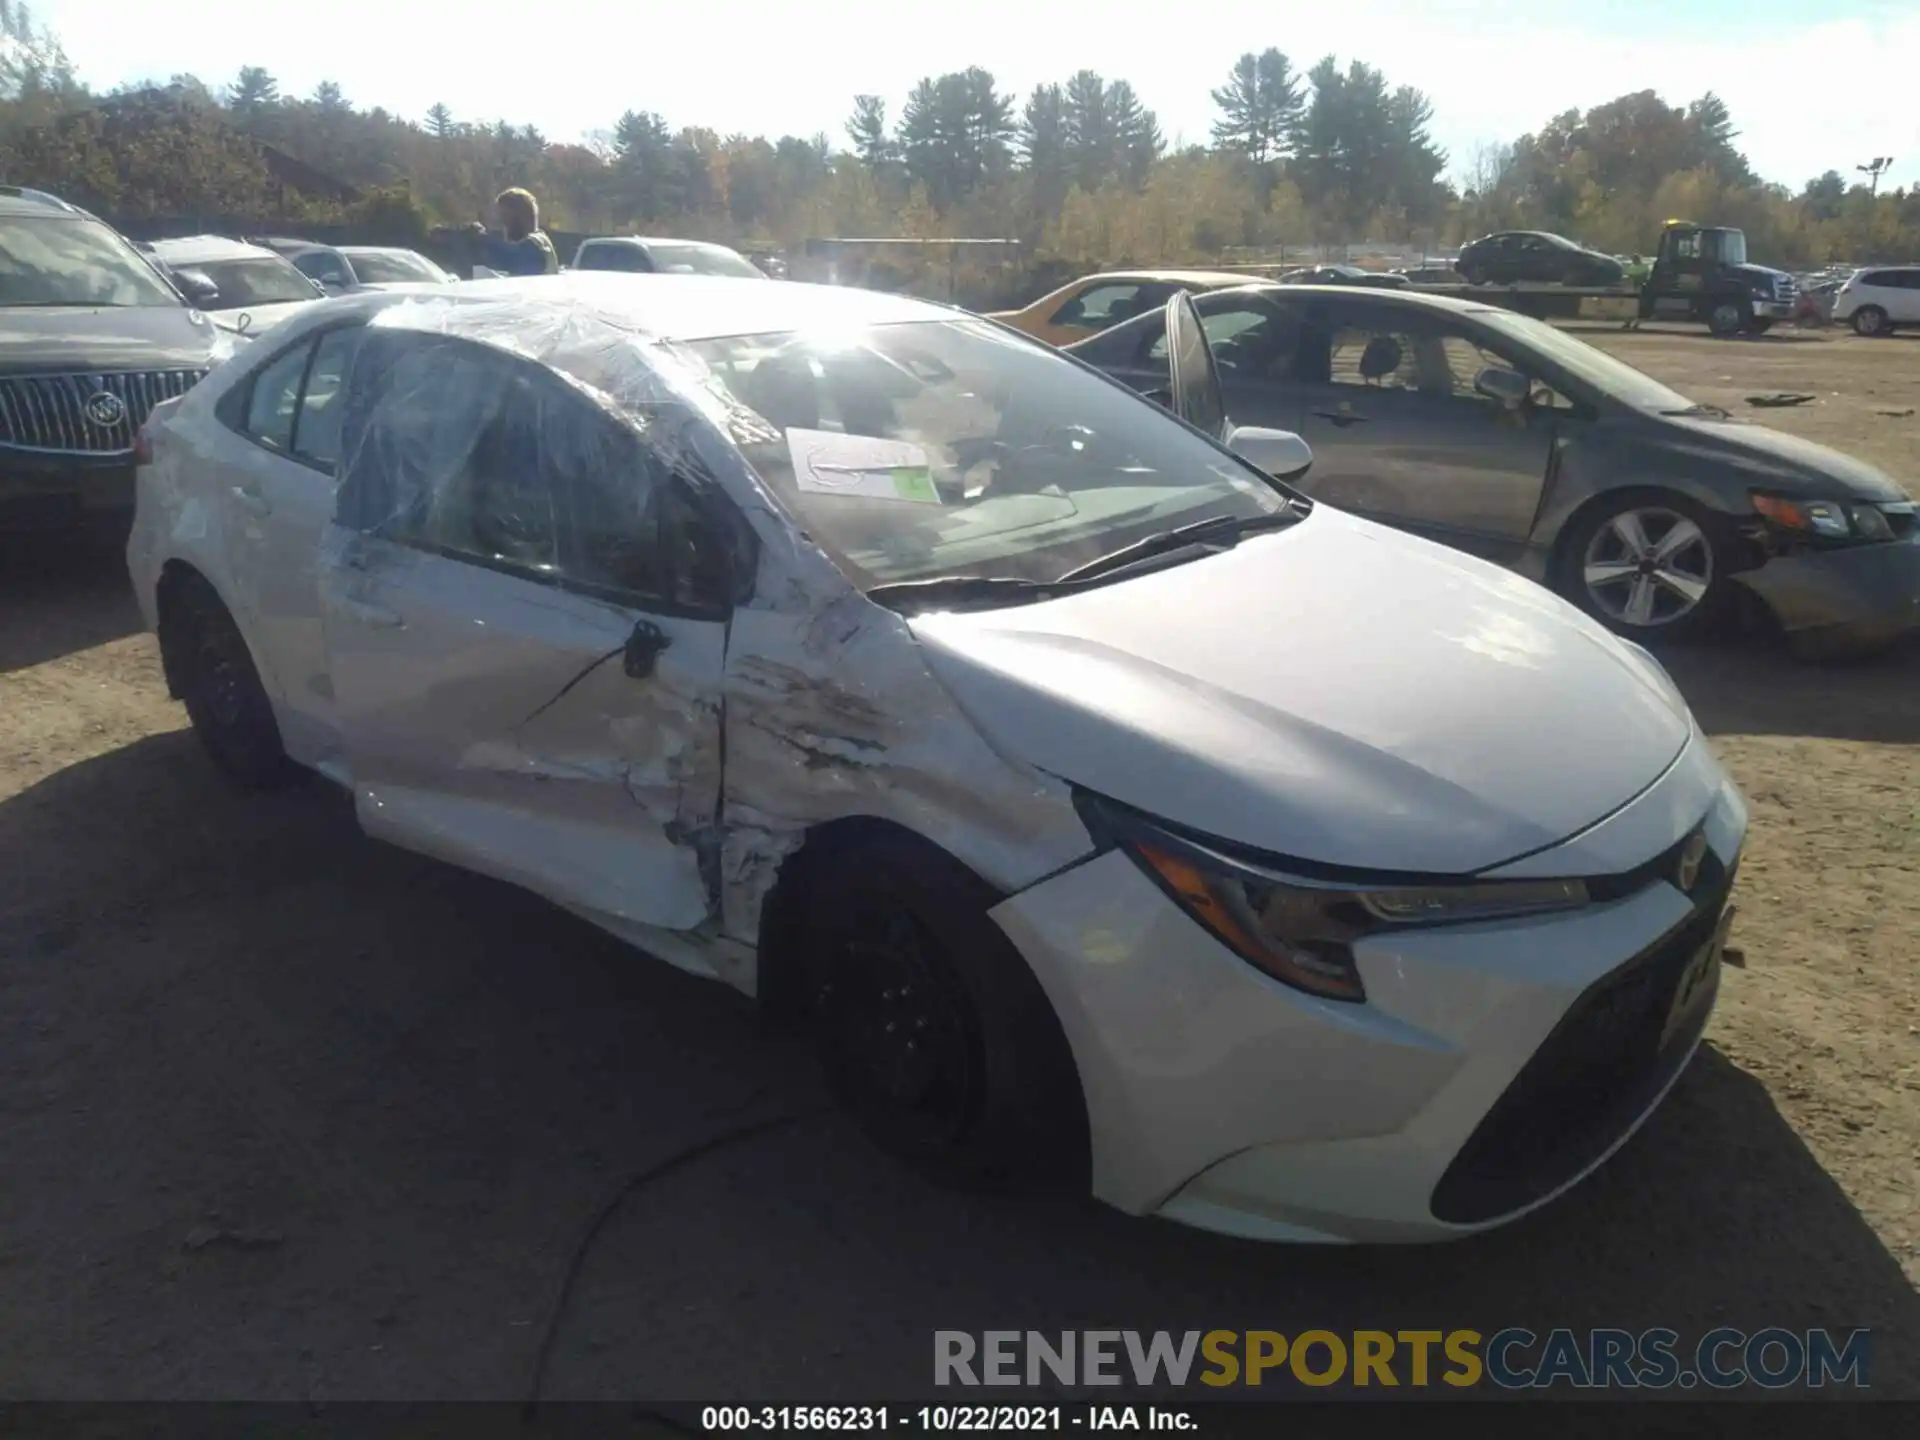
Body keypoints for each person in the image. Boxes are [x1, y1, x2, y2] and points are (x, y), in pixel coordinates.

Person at [467, 187, 559, 277]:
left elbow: (511, 258)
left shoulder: (537, 244)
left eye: (505, 216)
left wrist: (482, 237)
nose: (504, 224)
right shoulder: (537, 241)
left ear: (521, 214)